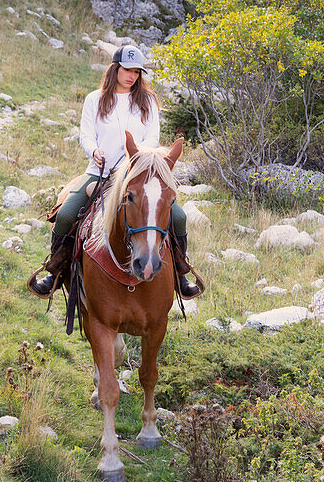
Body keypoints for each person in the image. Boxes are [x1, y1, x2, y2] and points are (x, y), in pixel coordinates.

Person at [28, 46, 200, 299]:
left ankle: (180, 274)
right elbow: (86, 134)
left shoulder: (148, 102)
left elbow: (152, 137)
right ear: (115, 69)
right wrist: (94, 151)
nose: (132, 76)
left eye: (137, 72)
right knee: (65, 214)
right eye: (127, 70)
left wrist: (138, 157)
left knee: (179, 217)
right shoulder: (94, 99)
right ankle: (54, 272)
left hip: (137, 175)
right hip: (99, 172)